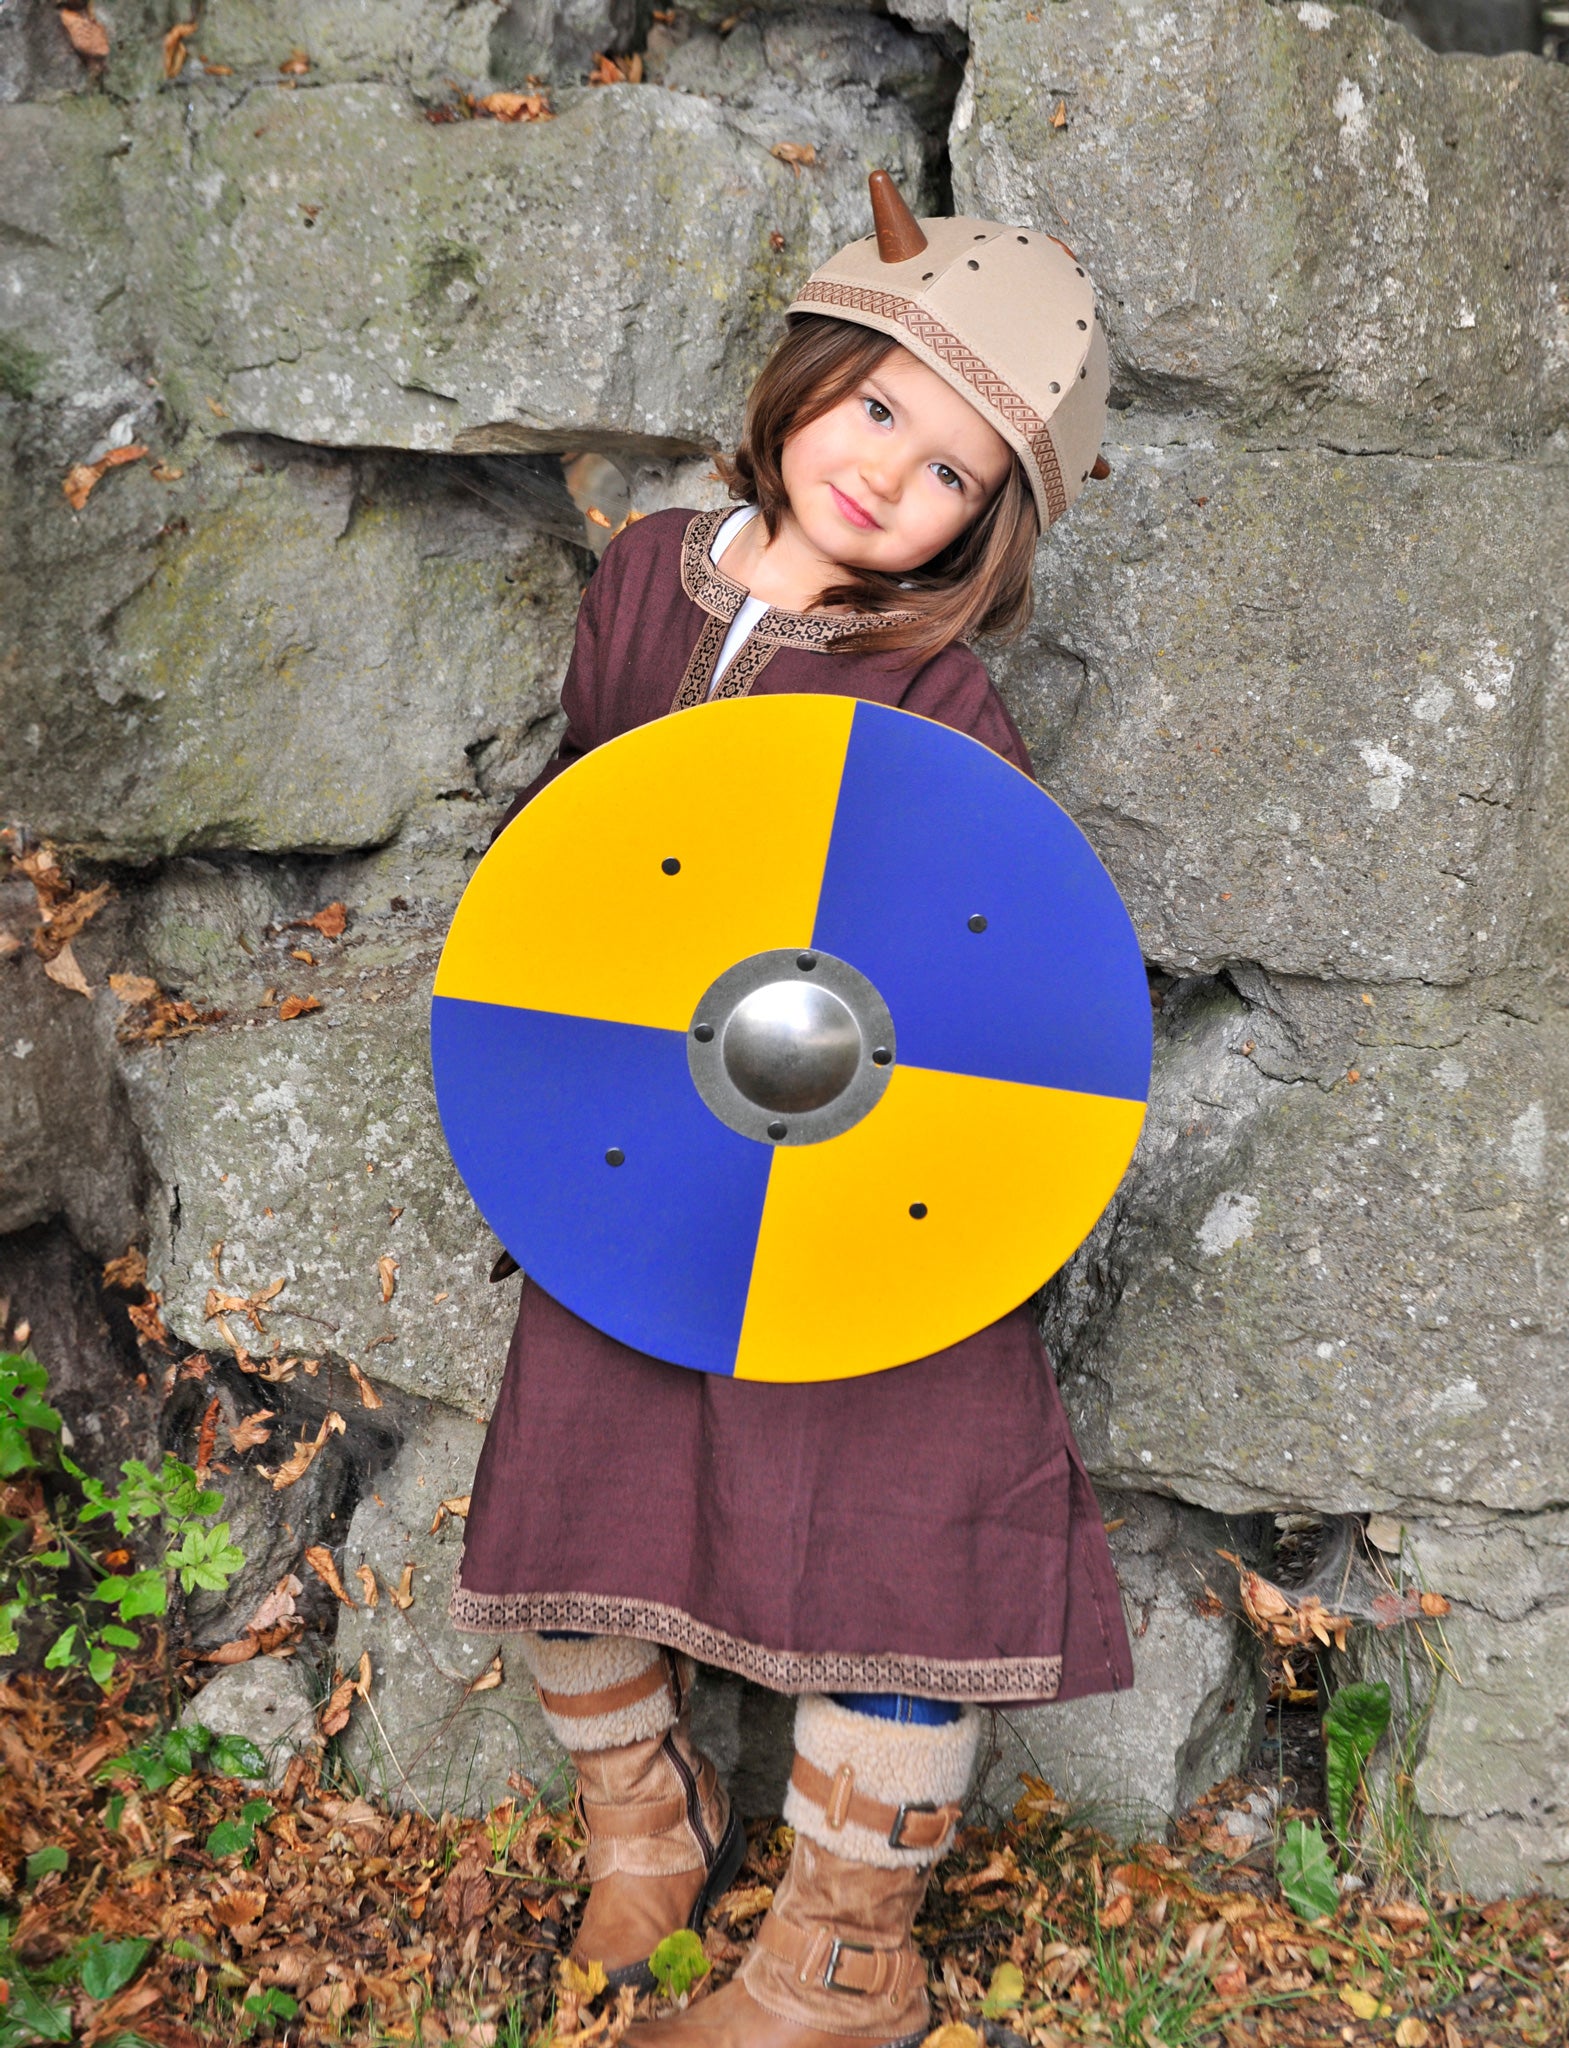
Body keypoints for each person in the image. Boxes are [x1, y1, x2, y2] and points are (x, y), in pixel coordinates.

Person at [450, 172, 1129, 2048]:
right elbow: (573, 862)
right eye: (882, 406)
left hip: (867, 1165)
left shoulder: (940, 688)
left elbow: (987, 958)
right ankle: (645, 1841)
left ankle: (845, 1961)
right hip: (649, 1143)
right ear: (813, 373)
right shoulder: (643, 576)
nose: (889, 473)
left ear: (979, 531)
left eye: (950, 475)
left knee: (901, 1504)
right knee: (589, 1461)